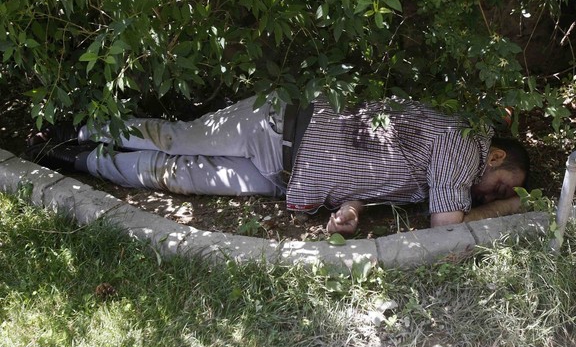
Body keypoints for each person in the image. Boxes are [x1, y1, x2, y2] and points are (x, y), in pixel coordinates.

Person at [25, 94, 529, 235]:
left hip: (285, 178)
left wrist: (351, 211)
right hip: (277, 127)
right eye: (503, 185)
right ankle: (76, 130)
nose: (495, 194)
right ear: (496, 156)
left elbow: (374, 177)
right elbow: (447, 232)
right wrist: (508, 212)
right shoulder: (467, 140)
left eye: (501, 196)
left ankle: (79, 159)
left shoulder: (440, 183)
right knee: (174, 139)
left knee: (174, 176)